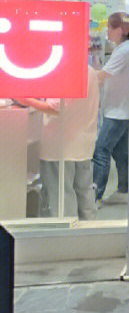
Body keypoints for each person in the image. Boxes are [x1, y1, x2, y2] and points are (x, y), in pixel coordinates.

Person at [15, 63, 100, 220]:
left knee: (60, 198)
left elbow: (55, 107)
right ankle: (86, 235)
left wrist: (27, 101)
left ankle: (66, 239)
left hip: (60, 146)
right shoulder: (89, 70)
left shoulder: (69, 71)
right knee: (83, 192)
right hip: (83, 144)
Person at [93, 12, 129, 204]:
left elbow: (104, 75)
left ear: (119, 30)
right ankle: (124, 189)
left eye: (109, 27)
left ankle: (95, 196)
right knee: (120, 152)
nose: (107, 31)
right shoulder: (126, 49)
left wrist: (85, 78)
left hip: (117, 111)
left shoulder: (124, 50)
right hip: (121, 110)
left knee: (101, 150)